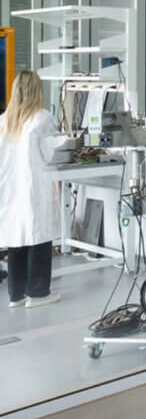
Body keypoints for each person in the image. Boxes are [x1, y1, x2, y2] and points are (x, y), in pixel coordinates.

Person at [0, 70, 70, 308]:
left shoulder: (4, 121)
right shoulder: (42, 119)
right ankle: (38, 293)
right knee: (39, 236)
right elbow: (53, 153)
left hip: (11, 190)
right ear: (35, 91)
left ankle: (16, 295)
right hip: (34, 188)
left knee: (16, 238)